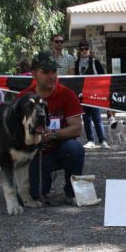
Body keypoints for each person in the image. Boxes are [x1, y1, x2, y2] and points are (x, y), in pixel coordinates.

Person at [17, 51, 84, 205]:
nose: (52, 76)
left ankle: (72, 192)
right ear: (33, 73)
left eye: (54, 71)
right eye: (46, 72)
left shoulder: (67, 94)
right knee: (33, 195)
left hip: (58, 151)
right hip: (32, 156)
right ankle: (40, 183)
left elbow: (77, 129)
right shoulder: (23, 98)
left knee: (75, 149)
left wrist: (53, 134)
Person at [74, 40, 110, 149]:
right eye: (82, 49)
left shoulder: (95, 62)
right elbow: (75, 78)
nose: (84, 51)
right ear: (79, 51)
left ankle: (103, 140)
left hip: (95, 94)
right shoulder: (76, 63)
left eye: (86, 49)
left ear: (90, 50)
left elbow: (103, 77)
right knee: (86, 118)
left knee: (97, 118)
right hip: (83, 94)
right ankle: (90, 140)